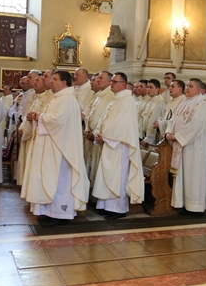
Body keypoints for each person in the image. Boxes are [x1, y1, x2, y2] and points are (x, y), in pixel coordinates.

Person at [21, 70, 89, 227]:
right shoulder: (58, 98)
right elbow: (52, 118)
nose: (51, 81)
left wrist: (39, 117)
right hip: (53, 146)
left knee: (60, 181)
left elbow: (58, 121)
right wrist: (37, 117)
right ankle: (50, 212)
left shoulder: (67, 100)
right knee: (51, 180)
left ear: (64, 83)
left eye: (55, 79)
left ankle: (61, 214)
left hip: (61, 150)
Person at [92, 72, 144, 219]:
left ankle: (118, 209)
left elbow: (122, 125)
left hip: (119, 145)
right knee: (107, 175)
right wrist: (98, 132)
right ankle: (105, 205)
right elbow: (104, 120)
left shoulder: (127, 101)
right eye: (112, 81)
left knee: (117, 177)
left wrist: (105, 136)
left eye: (114, 82)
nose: (111, 84)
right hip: (110, 143)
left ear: (123, 84)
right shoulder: (115, 100)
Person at [165, 79, 206, 213]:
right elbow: (172, 120)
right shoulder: (184, 103)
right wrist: (169, 132)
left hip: (194, 147)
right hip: (181, 146)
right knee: (182, 174)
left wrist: (177, 136)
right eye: (187, 86)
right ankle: (182, 203)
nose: (187, 88)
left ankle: (194, 206)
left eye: (190, 86)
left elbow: (196, 125)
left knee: (193, 175)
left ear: (198, 90)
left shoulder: (202, 105)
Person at [83, 71, 115, 184]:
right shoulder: (99, 95)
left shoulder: (111, 95)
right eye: (98, 78)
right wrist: (87, 129)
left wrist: (95, 133)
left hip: (100, 137)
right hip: (91, 136)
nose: (97, 80)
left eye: (101, 78)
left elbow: (106, 118)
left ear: (109, 81)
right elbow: (91, 114)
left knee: (97, 168)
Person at [144, 79, 186, 145]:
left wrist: (160, 124)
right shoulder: (171, 101)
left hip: (173, 137)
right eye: (170, 86)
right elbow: (164, 116)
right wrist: (158, 121)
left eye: (172, 86)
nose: (169, 88)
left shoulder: (183, 102)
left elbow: (176, 121)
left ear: (180, 89)